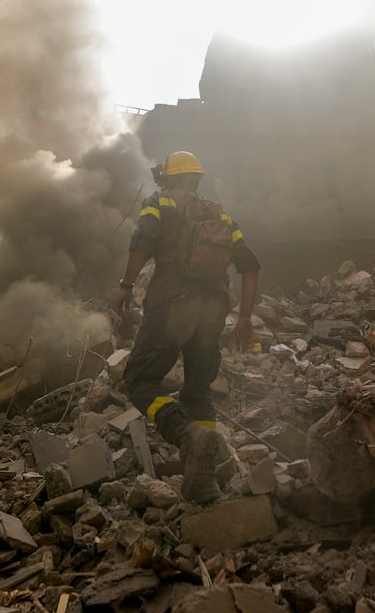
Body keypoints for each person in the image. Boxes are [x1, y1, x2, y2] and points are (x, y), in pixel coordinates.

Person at [113, 150, 261, 504]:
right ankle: (202, 482)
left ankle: (184, 434)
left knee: (139, 380)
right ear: (195, 178)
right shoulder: (218, 213)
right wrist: (243, 318)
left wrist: (126, 286)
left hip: (171, 306)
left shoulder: (159, 202)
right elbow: (250, 265)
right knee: (198, 391)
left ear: (167, 177)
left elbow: (143, 243)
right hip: (213, 311)